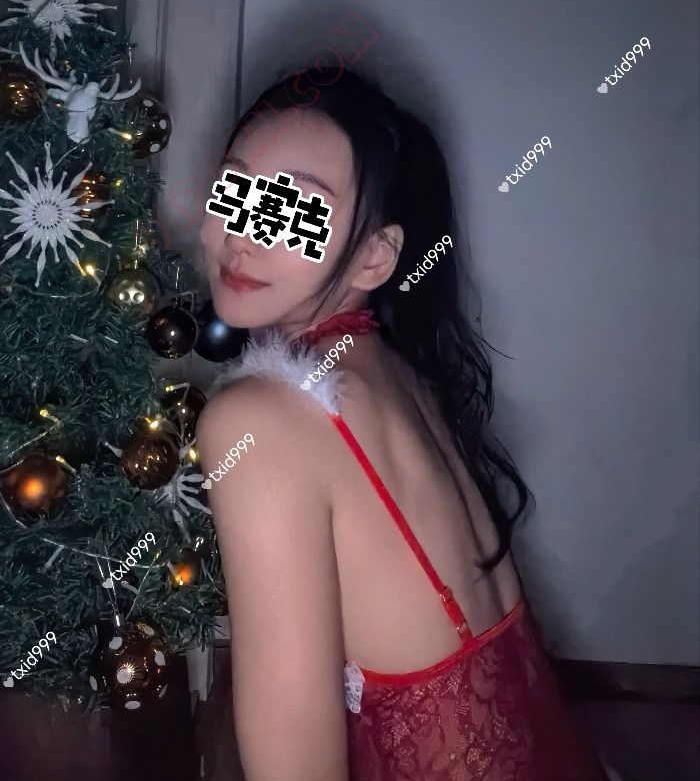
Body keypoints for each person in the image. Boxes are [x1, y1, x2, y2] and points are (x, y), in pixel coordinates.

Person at [196, 66, 610, 780]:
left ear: (374, 257)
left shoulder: (257, 421)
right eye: (234, 189)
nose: (243, 233)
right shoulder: (392, 367)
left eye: (294, 206)